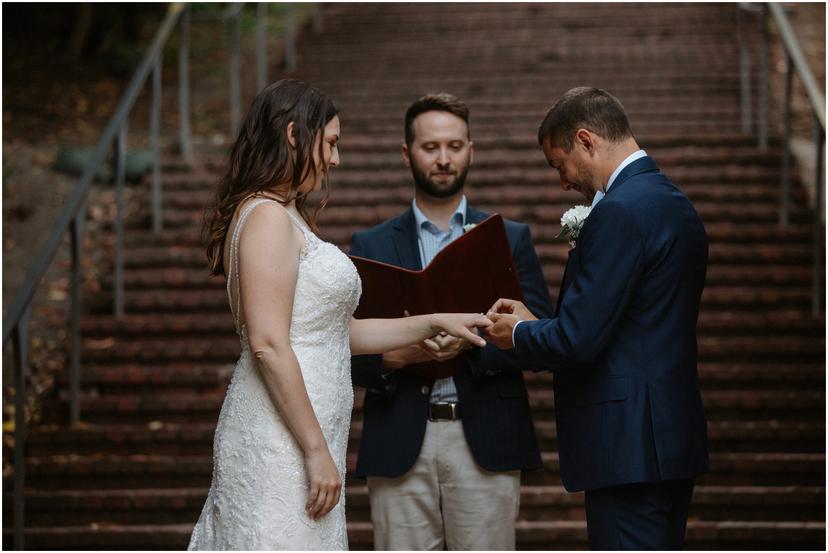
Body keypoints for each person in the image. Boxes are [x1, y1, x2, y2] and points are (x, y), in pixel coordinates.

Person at [188, 79, 492, 551]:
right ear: (293, 135)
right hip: (281, 438)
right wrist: (315, 450)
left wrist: (433, 320)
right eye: (330, 143)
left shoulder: (284, 214)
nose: (335, 159)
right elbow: (268, 343)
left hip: (301, 431)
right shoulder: (267, 216)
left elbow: (340, 332)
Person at [484, 86, 710, 550]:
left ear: (586, 140)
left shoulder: (619, 212)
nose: (564, 182)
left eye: (558, 163)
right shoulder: (673, 202)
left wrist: (520, 333)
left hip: (627, 448)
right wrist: (536, 319)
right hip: (668, 440)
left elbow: (578, 339)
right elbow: (633, 321)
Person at [349, 93, 554, 550]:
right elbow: (341, 351)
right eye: (430, 147)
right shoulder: (370, 244)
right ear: (407, 153)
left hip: (485, 435)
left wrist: (473, 343)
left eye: (455, 146)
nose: (443, 159)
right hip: (399, 437)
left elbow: (541, 337)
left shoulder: (510, 238)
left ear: (471, 150)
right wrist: (393, 357)